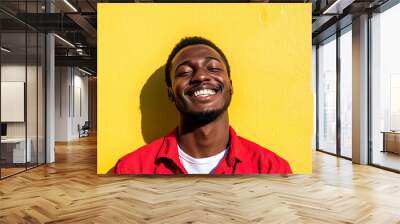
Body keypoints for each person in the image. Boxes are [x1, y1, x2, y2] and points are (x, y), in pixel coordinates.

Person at [114, 36, 292, 174]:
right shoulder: (130, 169)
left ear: (231, 86)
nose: (200, 76)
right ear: (171, 94)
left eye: (213, 68)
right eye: (184, 72)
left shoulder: (272, 169)